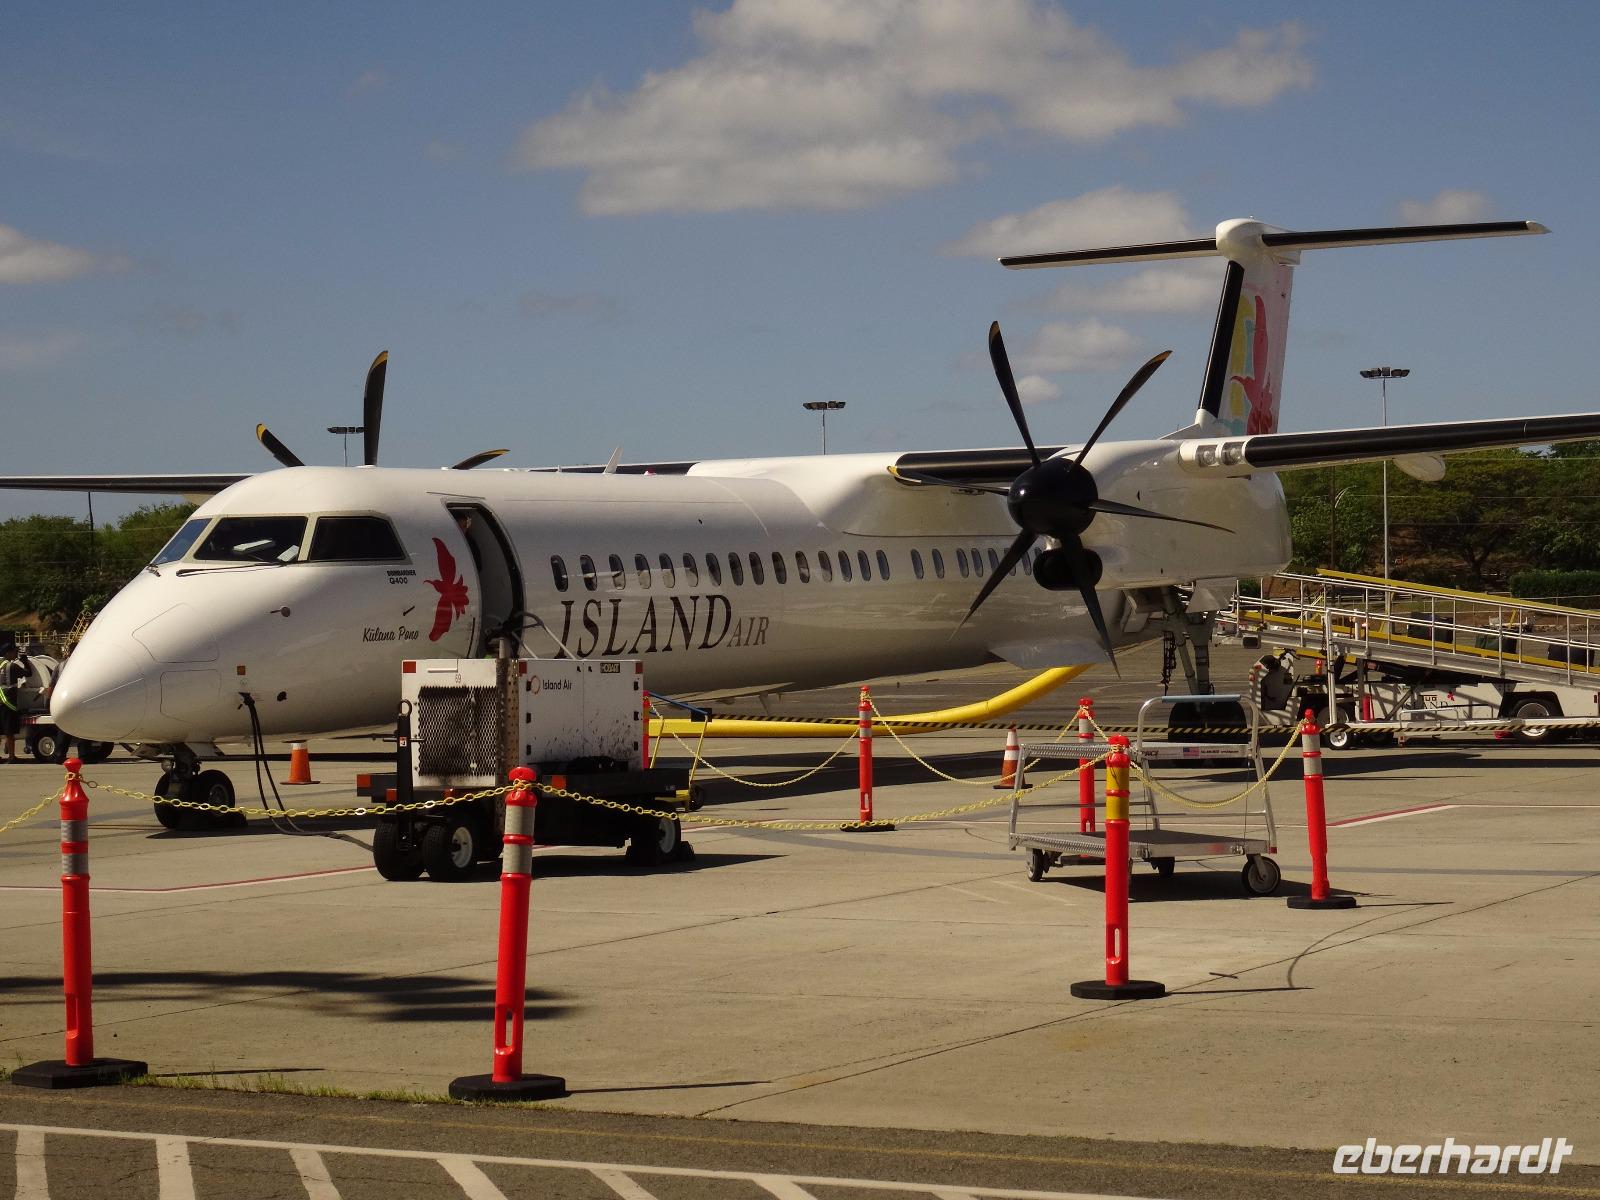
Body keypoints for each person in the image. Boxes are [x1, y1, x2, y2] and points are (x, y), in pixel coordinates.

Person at [0, 641, 34, 763]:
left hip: (0, 699)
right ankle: (11, 757)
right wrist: (24, 660)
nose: (16, 654)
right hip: (8, 702)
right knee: (9, 731)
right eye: (14, 651)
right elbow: (29, 673)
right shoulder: (12, 666)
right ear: (8, 653)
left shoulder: (0, 664)